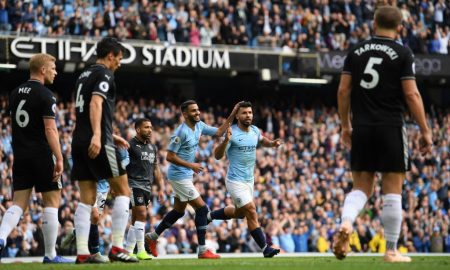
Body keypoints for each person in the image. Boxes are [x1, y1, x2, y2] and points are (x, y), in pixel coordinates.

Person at [333, 5, 432, 263]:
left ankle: (346, 223)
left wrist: (345, 126)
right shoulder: (402, 52)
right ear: (400, 27)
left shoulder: (355, 51)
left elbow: (343, 91)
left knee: (361, 188)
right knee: (392, 190)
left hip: (362, 128)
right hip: (391, 127)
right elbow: (411, 94)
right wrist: (424, 130)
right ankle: (391, 250)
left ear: (373, 23)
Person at [145, 100, 241, 259]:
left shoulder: (200, 125)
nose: (197, 113)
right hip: (179, 176)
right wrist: (190, 165)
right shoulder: (180, 132)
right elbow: (169, 156)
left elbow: (218, 132)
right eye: (193, 111)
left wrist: (232, 115)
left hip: (185, 175)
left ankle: (152, 237)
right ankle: (203, 250)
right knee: (202, 210)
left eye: (197, 110)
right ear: (185, 114)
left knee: (178, 211)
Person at [71, 37, 138, 263]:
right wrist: (100, 136)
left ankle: (82, 253)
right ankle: (118, 247)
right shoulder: (105, 74)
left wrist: (111, 134)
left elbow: (83, 109)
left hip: (78, 141)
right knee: (123, 190)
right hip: (97, 141)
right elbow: (96, 103)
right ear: (110, 56)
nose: (119, 63)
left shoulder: (83, 75)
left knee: (86, 198)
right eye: (119, 58)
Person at [0, 53, 72, 263]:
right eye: (53, 68)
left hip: (21, 156)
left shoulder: (14, 93)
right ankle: (50, 255)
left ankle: (1, 236)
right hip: (42, 154)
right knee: (51, 202)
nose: (55, 72)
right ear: (42, 70)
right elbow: (50, 129)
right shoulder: (46, 95)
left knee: (18, 203)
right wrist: (59, 158)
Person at [208, 101, 281, 258]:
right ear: (238, 116)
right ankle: (265, 248)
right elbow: (217, 155)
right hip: (235, 181)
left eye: (250, 112)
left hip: (249, 181)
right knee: (251, 211)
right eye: (244, 113)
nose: (248, 115)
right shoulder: (232, 132)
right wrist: (226, 141)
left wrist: (272, 144)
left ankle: (210, 216)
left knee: (240, 213)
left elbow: (262, 141)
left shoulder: (254, 130)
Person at [125, 118, 164, 260]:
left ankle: (128, 250)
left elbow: (156, 168)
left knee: (136, 219)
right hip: (133, 184)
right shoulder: (129, 145)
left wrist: (161, 187)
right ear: (138, 129)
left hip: (147, 186)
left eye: (151, 127)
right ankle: (141, 250)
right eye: (146, 127)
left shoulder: (153, 147)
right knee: (141, 214)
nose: (150, 129)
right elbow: (121, 166)